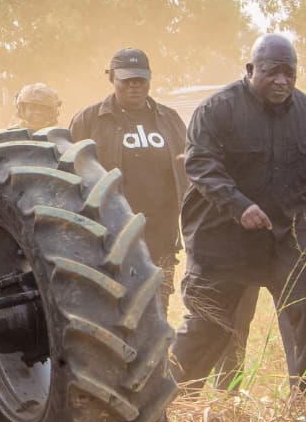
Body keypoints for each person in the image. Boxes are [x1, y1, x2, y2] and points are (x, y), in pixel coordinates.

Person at [170, 34, 306, 390]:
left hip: (283, 239)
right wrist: (239, 205)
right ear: (250, 70)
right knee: (210, 324)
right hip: (223, 239)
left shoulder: (305, 112)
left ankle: (301, 404)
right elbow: (200, 164)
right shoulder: (217, 110)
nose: (282, 80)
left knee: (303, 312)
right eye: (271, 72)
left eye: (289, 72)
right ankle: (167, 401)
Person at [69, 48, 187, 314]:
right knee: (115, 307)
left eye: (141, 80)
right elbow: (70, 174)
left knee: (158, 306)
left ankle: (156, 357)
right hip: (109, 233)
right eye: (127, 80)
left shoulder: (169, 120)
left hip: (161, 233)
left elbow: (188, 166)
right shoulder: (89, 120)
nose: (135, 86)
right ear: (112, 78)